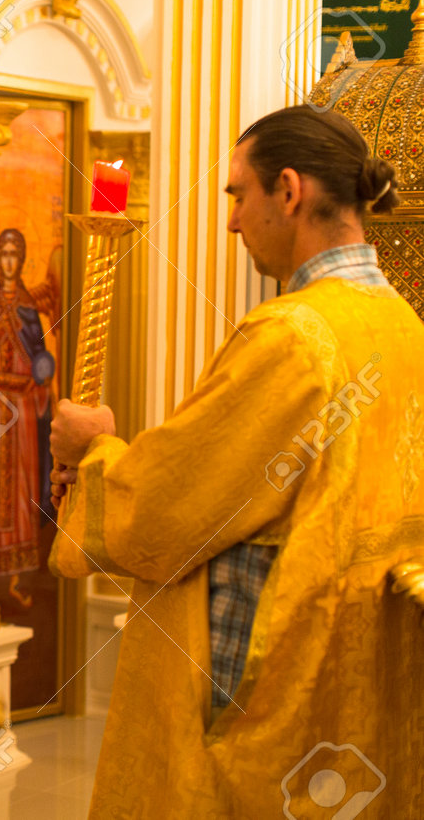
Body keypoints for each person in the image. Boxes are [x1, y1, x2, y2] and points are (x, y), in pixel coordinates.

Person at [48, 105, 424, 815]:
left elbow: (174, 503)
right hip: (368, 683)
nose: (230, 221)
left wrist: (95, 449)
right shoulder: (403, 324)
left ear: (289, 191)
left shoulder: (295, 337)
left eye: (237, 194)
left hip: (274, 689)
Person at [0, 228, 61, 607]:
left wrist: (44, 370)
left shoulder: (29, 309)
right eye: (4, 252)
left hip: (23, 410)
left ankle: (20, 575)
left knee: (23, 491)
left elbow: (39, 353)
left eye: (16, 253)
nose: (10, 260)